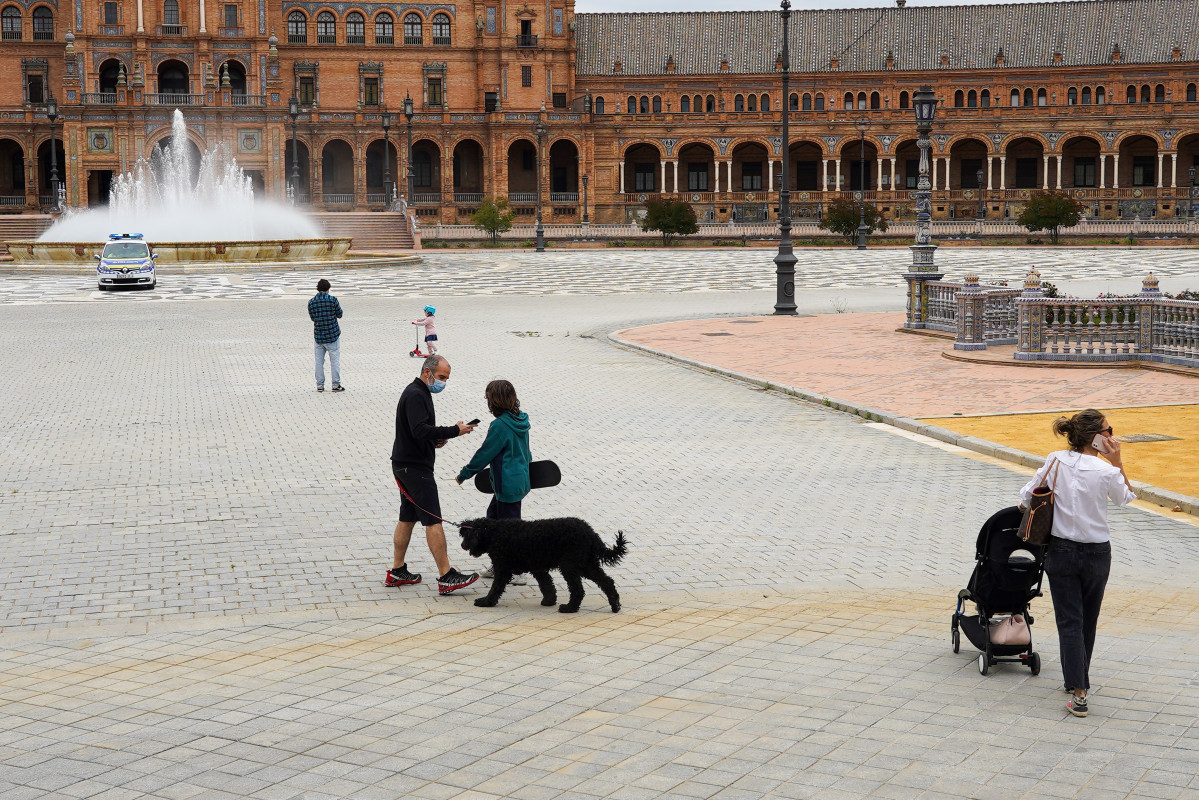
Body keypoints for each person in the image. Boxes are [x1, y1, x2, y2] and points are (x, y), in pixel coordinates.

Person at [1020, 408, 1134, 718]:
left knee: (1069, 620)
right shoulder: (1107, 471)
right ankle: (1079, 683)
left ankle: (1078, 687)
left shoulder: (1055, 459)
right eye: (1109, 431)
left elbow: (1026, 495)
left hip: (1060, 550)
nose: (1112, 435)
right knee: (1088, 619)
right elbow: (1125, 498)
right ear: (1097, 438)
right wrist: (1118, 462)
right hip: (1097, 552)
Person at [387, 354, 479, 595]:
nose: (443, 383)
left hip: (404, 464)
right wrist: (454, 431)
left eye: (446, 379)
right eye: (441, 377)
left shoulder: (417, 391)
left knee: (407, 517)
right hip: (415, 469)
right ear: (427, 372)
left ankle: (397, 570)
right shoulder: (417, 394)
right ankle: (446, 575)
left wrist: (437, 439)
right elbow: (419, 430)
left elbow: (418, 431)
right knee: (433, 520)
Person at [456, 380, 532, 583]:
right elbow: (527, 451)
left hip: (507, 485)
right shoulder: (520, 419)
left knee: (511, 529)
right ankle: (500, 564)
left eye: (488, 398)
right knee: (492, 520)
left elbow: (484, 454)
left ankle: (518, 570)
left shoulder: (499, 426)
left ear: (494, 401)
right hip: (516, 481)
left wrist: (464, 474)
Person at [307, 279, 344, 392]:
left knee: (319, 362)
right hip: (332, 335)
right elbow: (340, 314)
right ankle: (335, 385)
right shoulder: (333, 300)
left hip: (319, 336)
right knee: (335, 361)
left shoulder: (312, 302)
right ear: (328, 288)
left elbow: (313, 318)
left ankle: (320, 385)